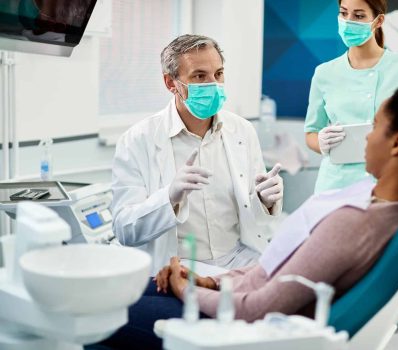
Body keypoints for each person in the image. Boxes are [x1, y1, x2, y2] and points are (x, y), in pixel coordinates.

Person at [95, 62, 398, 350]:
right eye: (200, 75)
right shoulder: (380, 210)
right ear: (171, 82)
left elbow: (254, 310)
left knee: (90, 312)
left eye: (375, 126)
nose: (366, 138)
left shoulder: (355, 223)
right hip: (228, 287)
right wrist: (204, 278)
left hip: (238, 329)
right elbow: (269, 274)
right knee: (126, 289)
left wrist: (184, 288)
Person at [111, 34, 284, 274]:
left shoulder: (242, 130)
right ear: (171, 83)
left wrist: (264, 202)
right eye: (200, 76)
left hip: (238, 260)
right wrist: (169, 198)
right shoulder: (137, 140)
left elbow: (253, 219)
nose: (213, 84)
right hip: (179, 269)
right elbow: (124, 230)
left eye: (219, 74)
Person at [304, 0, 398, 193]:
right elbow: (311, 133)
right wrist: (321, 142)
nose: (348, 21)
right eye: (343, 13)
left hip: (387, 184)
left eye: (359, 16)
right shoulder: (324, 73)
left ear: (378, 21)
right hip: (335, 187)